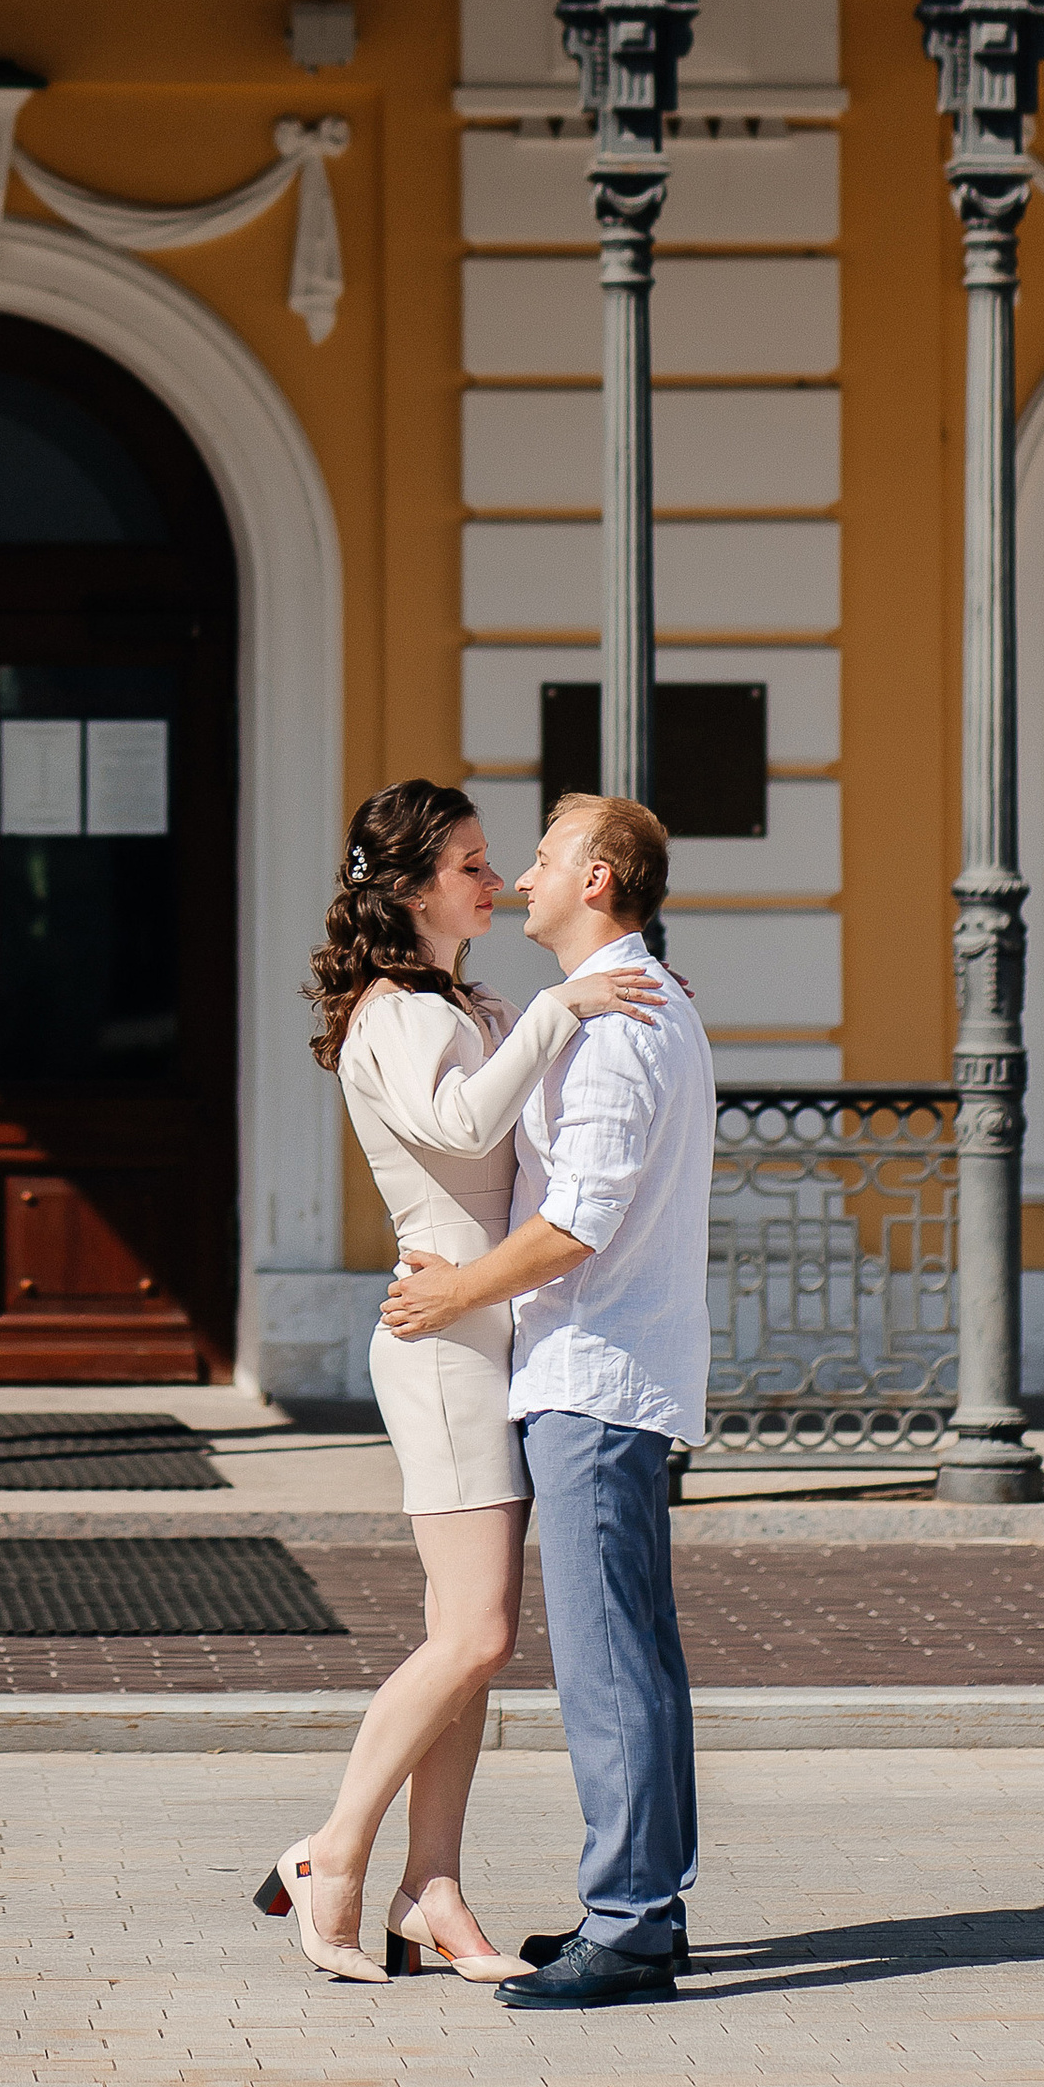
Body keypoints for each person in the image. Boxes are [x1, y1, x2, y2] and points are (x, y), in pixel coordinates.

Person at [253, 780, 664, 1986]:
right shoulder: (398, 1013)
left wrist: (583, 1019)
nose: (494, 882)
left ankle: (432, 1887)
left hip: (485, 1331)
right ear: (413, 886)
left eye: (498, 862)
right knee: (478, 1633)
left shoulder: (457, 1000)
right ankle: (331, 1854)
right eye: (474, 865)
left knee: (464, 1640)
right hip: (441, 1348)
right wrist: (556, 1012)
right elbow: (465, 1126)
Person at [379, 789, 714, 2012]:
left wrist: (453, 1289)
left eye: (543, 855)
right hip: (606, 1369)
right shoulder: (620, 1006)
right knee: (638, 1656)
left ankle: (628, 1925)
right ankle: (648, 1910)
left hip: (593, 1371)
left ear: (600, 881)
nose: (521, 874)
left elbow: (579, 1221)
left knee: (610, 1663)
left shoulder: (623, 1023)